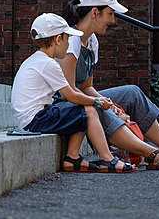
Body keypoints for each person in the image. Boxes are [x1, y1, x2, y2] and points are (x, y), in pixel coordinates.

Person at [59, 0, 159, 170]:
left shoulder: (92, 41)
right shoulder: (71, 41)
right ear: (95, 12)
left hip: (78, 95)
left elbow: (87, 86)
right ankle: (151, 153)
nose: (113, 20)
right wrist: (101, 104)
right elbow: (68, 91)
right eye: (110, 14)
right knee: (97, 107)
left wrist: (106, 100)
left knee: (131, 93)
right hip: (62, 102)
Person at [10, 13, 136, 173]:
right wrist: (97, 102)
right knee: (88, 109)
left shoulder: (36, 59)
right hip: (35, 120)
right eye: (67, 39)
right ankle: (107, 159)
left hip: (29, 118)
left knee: (78, 108)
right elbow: (71, 95)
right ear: (57, 40)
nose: (69, 43)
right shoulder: (49, 64)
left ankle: (73, 157)